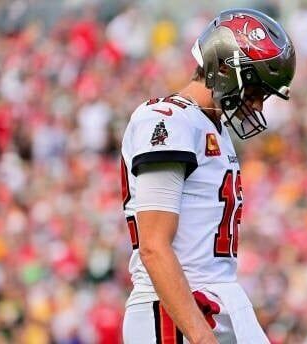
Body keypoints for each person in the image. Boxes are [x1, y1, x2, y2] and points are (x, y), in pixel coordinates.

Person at [119, 8, 295, 344]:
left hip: (216, 302)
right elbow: (154, 246)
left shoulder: (209, 126)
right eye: (256, 91)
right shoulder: (168, 120)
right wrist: (201, 337)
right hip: (176, 312)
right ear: (226, 69)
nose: (258, 106)